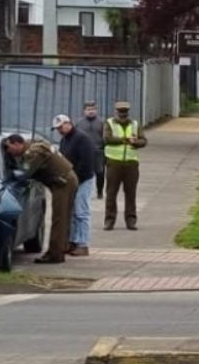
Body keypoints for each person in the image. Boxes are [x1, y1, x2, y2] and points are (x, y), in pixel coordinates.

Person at [3, 134, 78, 264]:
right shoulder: (34, 146)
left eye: (8, 148)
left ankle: (55, 255)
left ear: (17, 144)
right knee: (62, 219)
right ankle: (60, 249)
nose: (8, 151)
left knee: (59, 219)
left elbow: (24, 174)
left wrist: (11, 171)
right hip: (63, 180)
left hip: (63, 182)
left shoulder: (33, 152)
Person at [53, 114, 96, 257]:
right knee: (71, 212)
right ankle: (72, 241)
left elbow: (86, 163)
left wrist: (75, 179)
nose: (59, 130)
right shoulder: (65, 140)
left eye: (60, 127)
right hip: (72, 180)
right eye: (57, 128)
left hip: (83, 180)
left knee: (81, 212)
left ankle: (82, 244)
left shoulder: (82, 139)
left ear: (68, 123)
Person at [103, 101, 147, 230]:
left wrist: (136, 143)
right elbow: (107, 139)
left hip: (131, 163)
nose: (122, 115)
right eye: (120, 113)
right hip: (114, 162)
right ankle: (109, 220)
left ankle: (131, 220)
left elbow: (143, 140)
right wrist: (126, 140)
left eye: (125, 113)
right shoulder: (109, 123)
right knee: (111, 193)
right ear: (116, 112)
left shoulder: (135, 124)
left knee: (131, 193)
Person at [75, 101, 106, 199]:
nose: (91, 112)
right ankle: (84, 192)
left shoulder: (102, 122)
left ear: (96, 110)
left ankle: (100, 192)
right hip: (84, 152)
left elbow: (105, 137)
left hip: (98, 151)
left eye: (93, 109)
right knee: (84, 172)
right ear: (84, 111)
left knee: (100, 172)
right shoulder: (79, 123)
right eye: (88, 110)